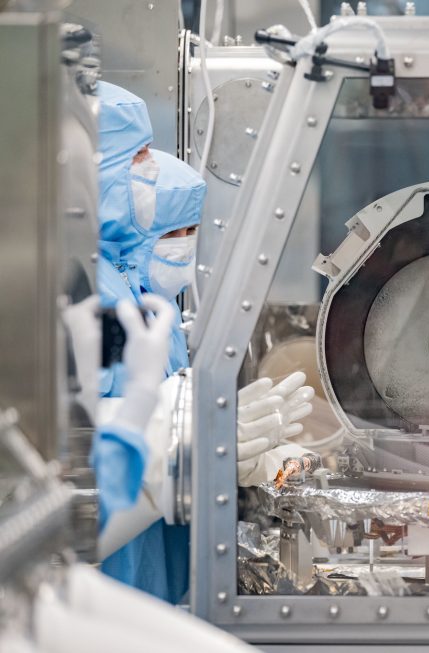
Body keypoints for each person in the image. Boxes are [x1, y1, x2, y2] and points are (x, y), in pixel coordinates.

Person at [94, 81, 207, 603]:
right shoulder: (91, 289)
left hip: (142, 569)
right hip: (105, 570)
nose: (151, 165)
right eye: (138, 154)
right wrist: (180, 442)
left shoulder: (127, 291)